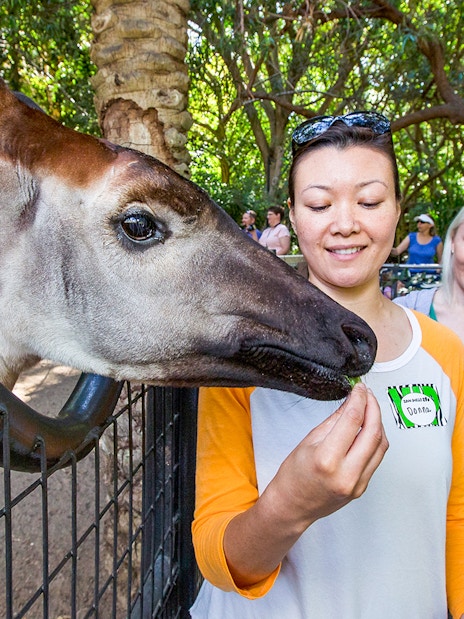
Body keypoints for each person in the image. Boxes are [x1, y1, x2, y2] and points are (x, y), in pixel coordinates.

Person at [191, 111, 464, 619]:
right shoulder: (243, 356)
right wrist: (290, 503)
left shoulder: (446, 355)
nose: (344, 223)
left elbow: (457, 517)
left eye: (369, 201)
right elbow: (215, 552)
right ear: (293, 216)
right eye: (319, 203)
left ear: (397, 210)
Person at [394, 207, 464, 343]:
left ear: (430, 225)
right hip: (410, 279)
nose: (419, 224)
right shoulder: (411, 237)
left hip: (428, 278)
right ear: (453, 241)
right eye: (418, 222)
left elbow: (441, 260)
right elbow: (397, 251)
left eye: (422, 222)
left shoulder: (436, 241)